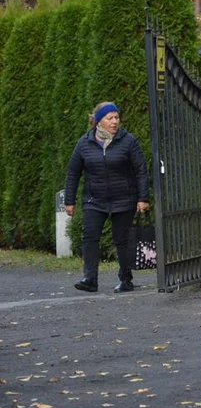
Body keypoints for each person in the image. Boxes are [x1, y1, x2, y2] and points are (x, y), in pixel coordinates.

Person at [64, 102, 150, 293]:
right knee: (90, 237)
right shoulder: (84, 143)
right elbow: (73, 172)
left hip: (123, 199)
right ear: (98, 121)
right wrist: (69, 201)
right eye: (109, 118)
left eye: (116, 117)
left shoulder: (128, 141)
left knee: (122, 240)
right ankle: (90, 278)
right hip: (94, 199)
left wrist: (143, 198)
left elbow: (141, 171)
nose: (114, 121)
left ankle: (126, 279)